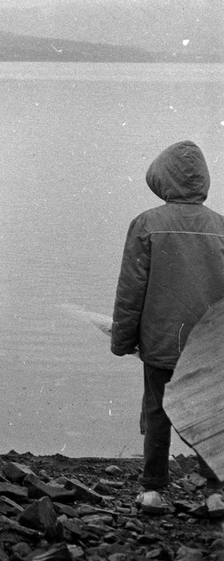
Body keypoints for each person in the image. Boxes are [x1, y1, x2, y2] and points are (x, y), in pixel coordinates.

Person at [111, 140, 224, 509]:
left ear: (163, 180)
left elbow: (132, 290)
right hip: (209, 345)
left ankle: (153, 489)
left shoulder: (146, 224)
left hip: (161, 340)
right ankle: (215, 492)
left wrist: (123, 339)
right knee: (210, 413)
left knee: (157, 412)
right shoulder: (220, 226)